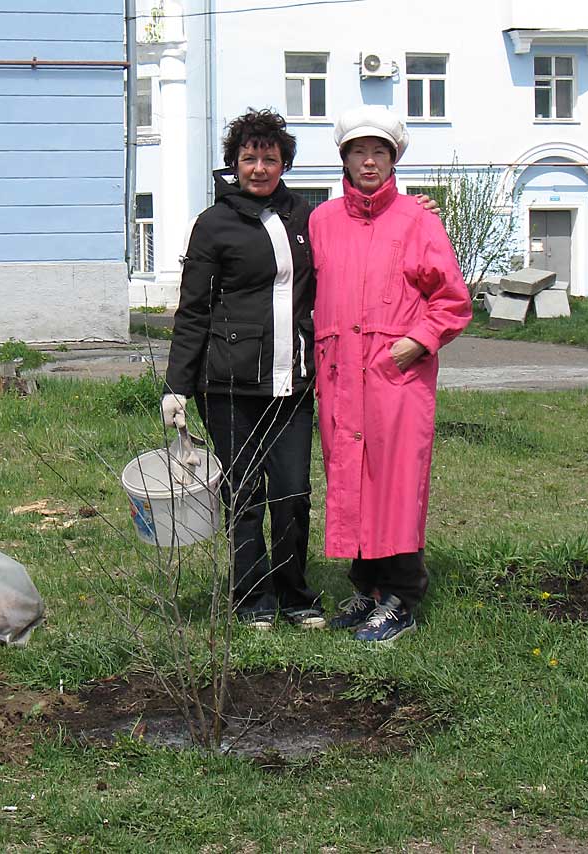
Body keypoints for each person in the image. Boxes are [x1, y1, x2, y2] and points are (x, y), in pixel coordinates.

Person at [308, 105, 472, 645]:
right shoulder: (323, 220)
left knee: (395, 483)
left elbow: (451, 301)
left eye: (380, 151)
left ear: (394, 156)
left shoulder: (417, 220)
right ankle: (367, 588)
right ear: (344, 159)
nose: (369, 161)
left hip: (395, 375)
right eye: (359, 151)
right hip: (339, 375)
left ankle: (401, 596)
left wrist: (416, 342)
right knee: (350, 478)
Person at [161, 108, 324, 630]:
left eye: (269, 158)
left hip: (292, 381)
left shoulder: (304, 216)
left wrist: (418, 209)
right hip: (229, 385)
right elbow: (193, 310)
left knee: (294, 492)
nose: (259, 167)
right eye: (249, 158)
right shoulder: (214, 224)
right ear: (234, 163)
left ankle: (295, 592)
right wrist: (176, 387)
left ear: (284, 164)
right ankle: (251, 597)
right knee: (247, 491)